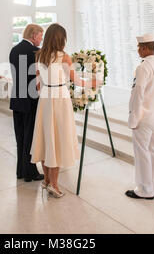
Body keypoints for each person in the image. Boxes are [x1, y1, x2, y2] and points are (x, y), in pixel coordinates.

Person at [31, 23, 102, 198]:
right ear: (61, 39)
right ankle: (54, 185)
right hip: (60, 100)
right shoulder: (64, 57)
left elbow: (38, 83)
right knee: (57, 140)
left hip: (45, 99)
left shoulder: (39, 56)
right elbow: (77, 81)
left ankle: (47, 180)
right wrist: (94, 83)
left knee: (46, 138)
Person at [126, 33, 154, 200]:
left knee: (142, 153)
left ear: (144, 48)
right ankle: (153, 186)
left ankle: (144, 190)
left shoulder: (143, 67)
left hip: (144, 118)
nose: (138, 50)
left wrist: (134, 118)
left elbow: (137, 94)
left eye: (139, 47)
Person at [9, 24, 45, 182]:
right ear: (34, 34)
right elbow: (37, 77)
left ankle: (20, 171)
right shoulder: (35, 52)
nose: (41, 38)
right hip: (31, 100)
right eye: (40, 35)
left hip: (17, 99)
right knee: (30, 138)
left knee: (20, 137)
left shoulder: (14, 50)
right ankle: (30, 172)